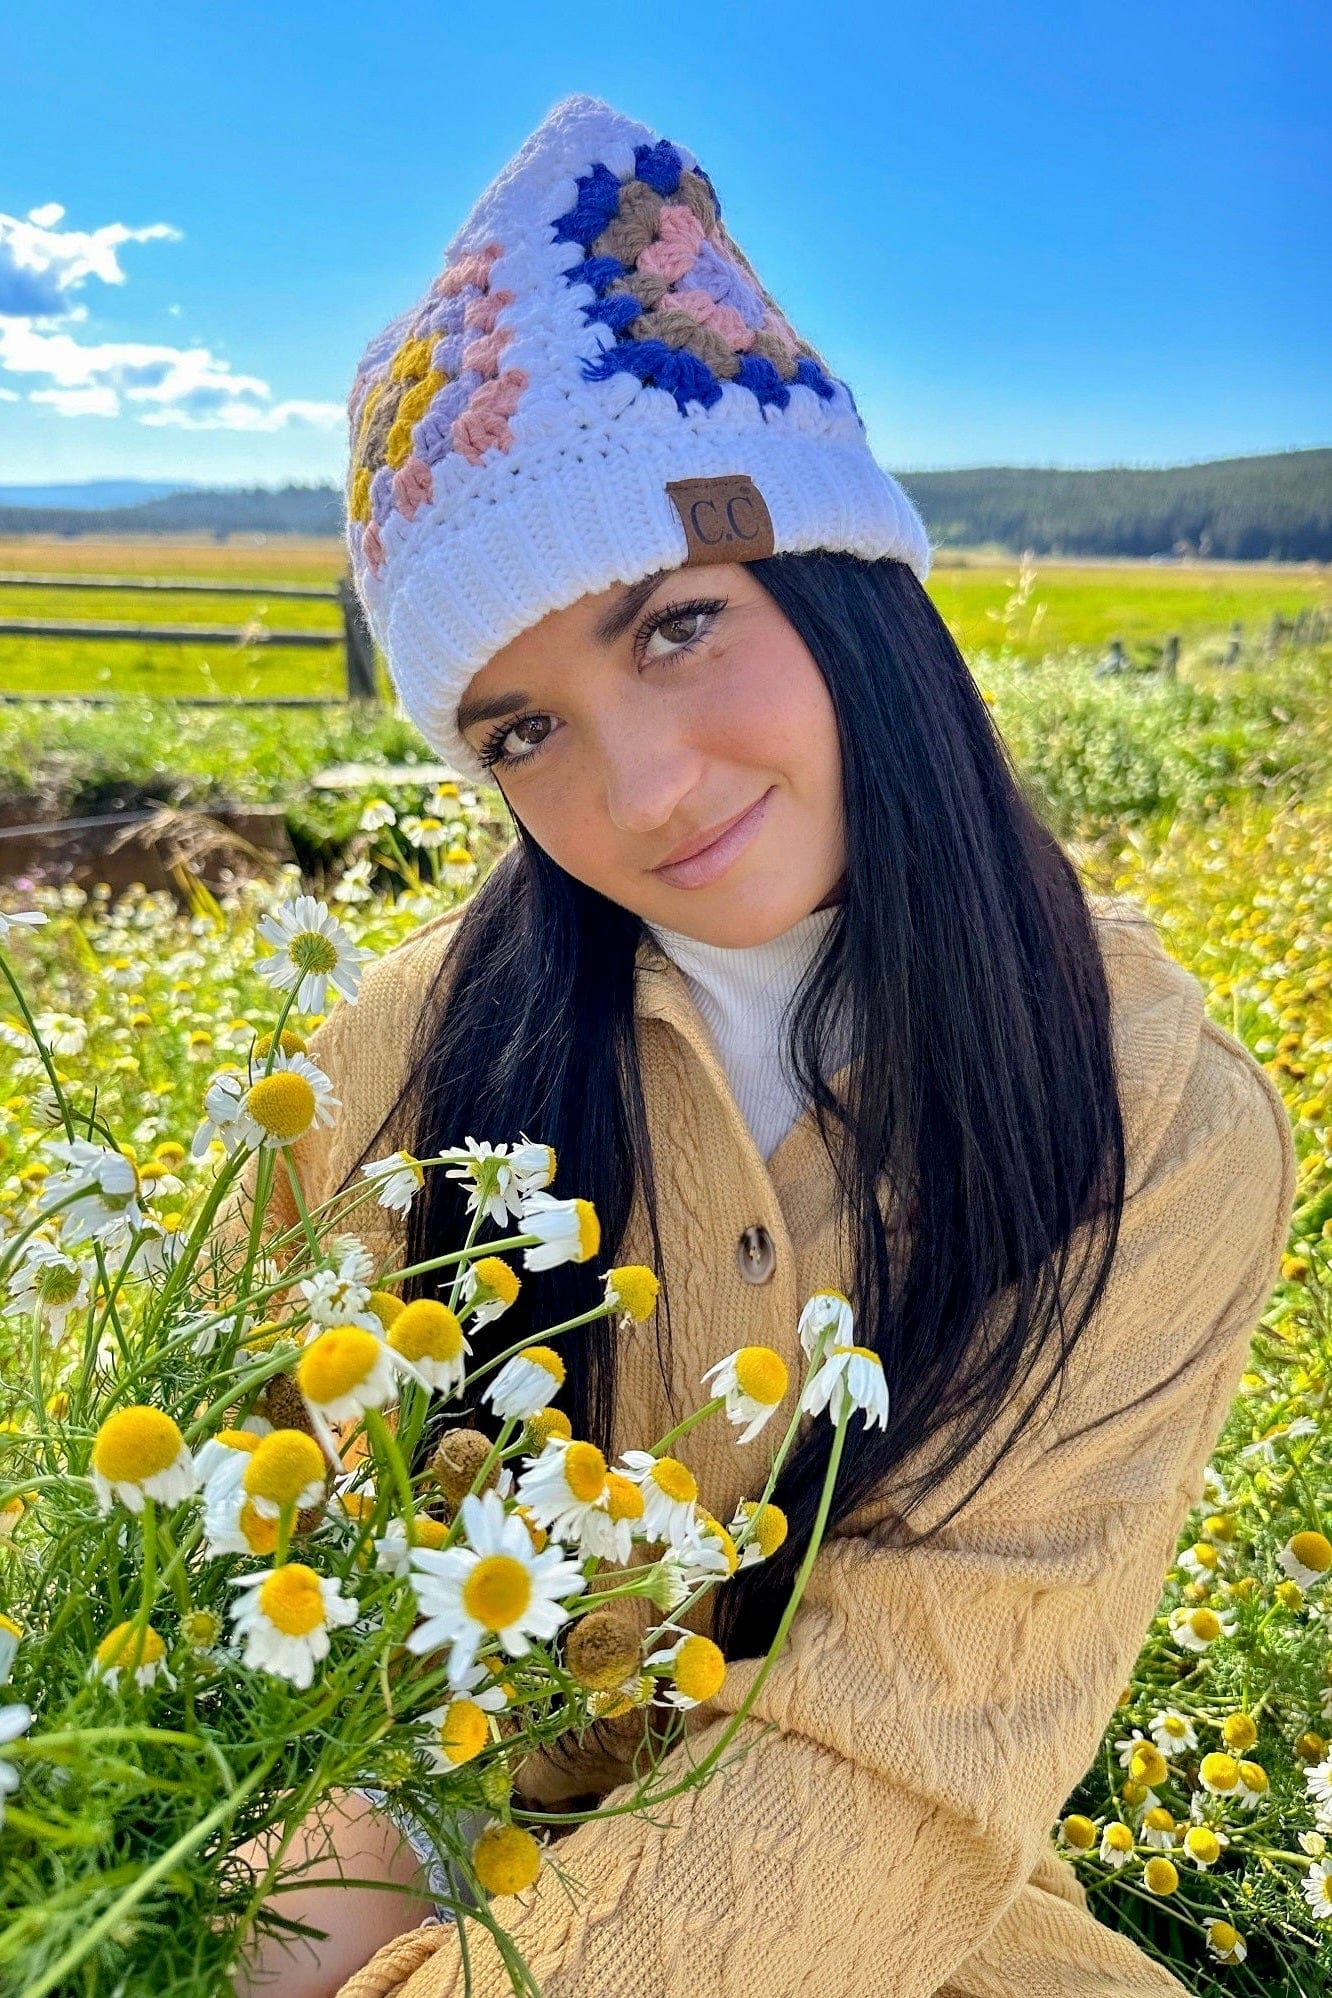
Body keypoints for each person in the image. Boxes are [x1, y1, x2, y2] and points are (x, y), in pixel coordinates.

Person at [234, 93, 1297, 1998]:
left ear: (843, 584)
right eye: (519, 730)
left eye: (676, 624)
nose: (641, 791)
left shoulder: (1141, 1115)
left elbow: (883, 1776)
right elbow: (254, 1548)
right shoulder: (402, 1059)